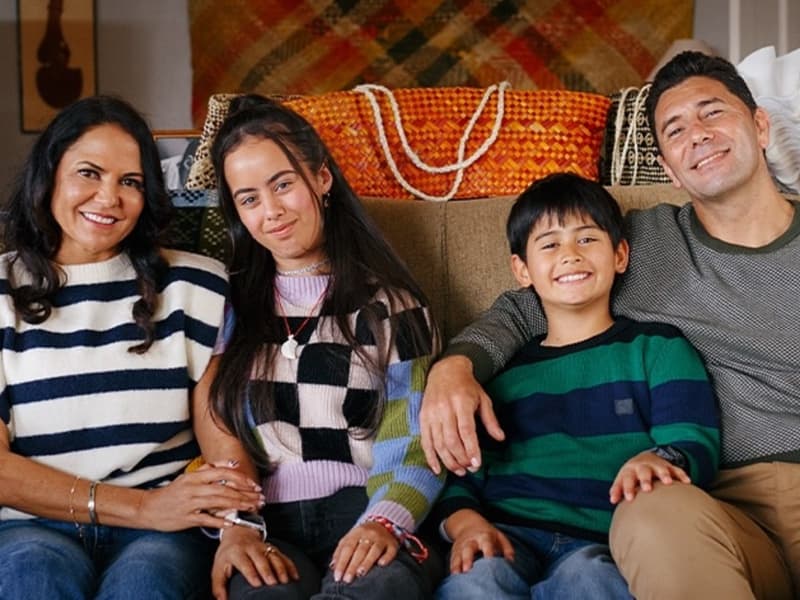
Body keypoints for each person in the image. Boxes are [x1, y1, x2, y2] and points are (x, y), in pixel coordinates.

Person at [419, 50, 800, 599]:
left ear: (760, 125)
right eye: (675, 128)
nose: (697, 134)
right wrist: (455, 366)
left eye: (712, 112)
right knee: (648, 513)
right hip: (709, 505)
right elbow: (529, 307)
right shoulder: (642, 244)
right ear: (667, 167)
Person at [0, 95, 267, 599]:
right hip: (29, 526)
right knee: (32, 576)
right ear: (49, 174)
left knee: (146, 584)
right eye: (88, 173)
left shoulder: (197, 286)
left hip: (163, 532)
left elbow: (222, 431)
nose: (108, 198)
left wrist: (237, 524)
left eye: (130, 182)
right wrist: (139, 506)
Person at [432, 172, 719, 600]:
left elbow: (694, 439)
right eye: (549, 244)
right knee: (476, 582)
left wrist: (657, 459)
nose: (569, 255)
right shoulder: (504, 374)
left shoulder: (656, 347)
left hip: (604, 540)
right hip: (508, 533)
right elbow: (462, 475)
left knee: (589, 578)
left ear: (620, 254)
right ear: (522, 270)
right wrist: (466, 524)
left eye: (587, 239)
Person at [207, 94, 445, 600]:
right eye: (249, 198)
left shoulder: (393, 306)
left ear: (321, 178)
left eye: (283, 184)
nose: (271, 211)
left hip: (365, 510)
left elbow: (417, 438)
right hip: (266, 526)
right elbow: (215, 433)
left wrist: (385, 521)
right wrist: (235, 524)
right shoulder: (227, 309)